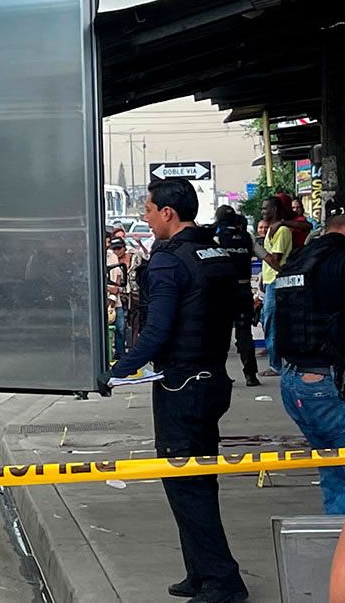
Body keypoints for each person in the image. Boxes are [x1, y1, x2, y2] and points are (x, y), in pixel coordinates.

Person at [102, 179, 247, 603]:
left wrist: (114, 372)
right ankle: (199, 572)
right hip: (213, 379)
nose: (145, 219)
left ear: (168, 212)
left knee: (187, 486)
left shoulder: (168, 261)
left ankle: (222, 580)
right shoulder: (214, 253)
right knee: (197, 479)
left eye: (148, 210)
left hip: (181, 385)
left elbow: (156, 330)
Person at [274, 197, 345, 513]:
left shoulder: (300, 259)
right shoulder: (340, 261)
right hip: (328, 384)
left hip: (297, 384)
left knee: (335, 477)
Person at [213, 206, 260, 387]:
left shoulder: (217, 239)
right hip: (244, 290)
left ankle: (220, 375)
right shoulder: (247, 238)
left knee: (221, 335)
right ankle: (251, 375)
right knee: (244, 333)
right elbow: (266, 256)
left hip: (224, 292)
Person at [261, 196, 294, 377]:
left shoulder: (281, 231)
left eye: (265, 208)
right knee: (267, 320)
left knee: (271, 323)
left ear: (274, 209)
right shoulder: (272, 230)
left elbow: (275, 260)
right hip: (269, 280)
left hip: (276, 281)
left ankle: (276, 365)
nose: (263, 212)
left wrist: (259, 251)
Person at [106, 237, 129, 359]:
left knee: (120, 328)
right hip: (102, 299)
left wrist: (114, 293)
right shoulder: (93, 255)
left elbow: (119, 274)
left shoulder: (112, 256)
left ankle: (120, 354)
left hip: (116, 300)